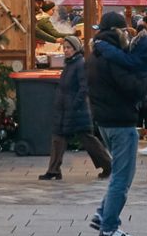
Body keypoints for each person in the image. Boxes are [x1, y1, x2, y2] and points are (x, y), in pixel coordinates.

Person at [87, 10, 147, 236]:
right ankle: (109, 227)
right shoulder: (113, 58)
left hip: (105, 121)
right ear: (119, 32)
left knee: (120, 172)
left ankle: (102, 213)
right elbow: (132, 88)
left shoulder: (95, 55)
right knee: (123, 175)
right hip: (120, 121)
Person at [39, 36, 112, 180]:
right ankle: (53, 170)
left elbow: (84, 88)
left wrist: (75, 104)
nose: (66, 50)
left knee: (88, 139)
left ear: (76, 49)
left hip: (76, 110)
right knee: (58, 138)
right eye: (64, 47)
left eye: (69, 48)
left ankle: (108, 165)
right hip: (64, 109)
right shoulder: (70, 64)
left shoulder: (79, 64)